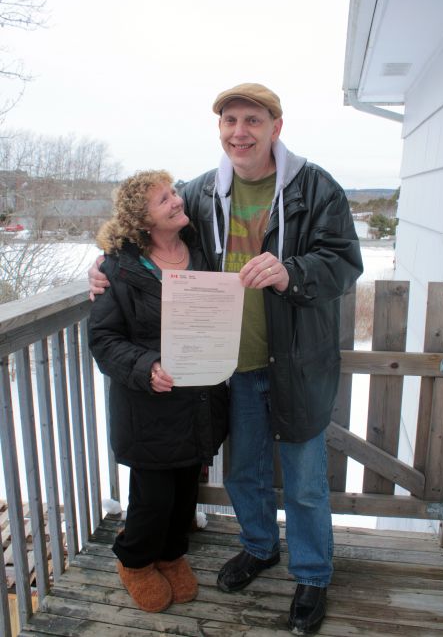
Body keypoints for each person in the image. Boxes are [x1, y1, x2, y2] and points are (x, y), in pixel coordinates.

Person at [88, 84, 363, 635]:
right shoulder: (201, 193)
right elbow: (142, 236)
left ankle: (311, 574)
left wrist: (293, 272)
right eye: (230, 120)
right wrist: (100, 265)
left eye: (253, 120)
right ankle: (259, 548)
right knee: (245, 472)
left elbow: (343, 261)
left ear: (275, 128)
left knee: (306, 481)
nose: (240, 131)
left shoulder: (316, 188)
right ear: (220, 130)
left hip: (295, 362)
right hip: (228, 367)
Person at [87, 170, 228, 614]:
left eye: (173, 193)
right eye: (162, 199)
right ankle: (134, 561)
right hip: (148, 404)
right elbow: (104, 339)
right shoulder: (119, 268)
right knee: (153, 497)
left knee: (186, 486)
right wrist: (146, 367)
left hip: (197, 399)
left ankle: (170, 555)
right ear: (143, 222)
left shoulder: (201, 252)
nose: (175, 201)